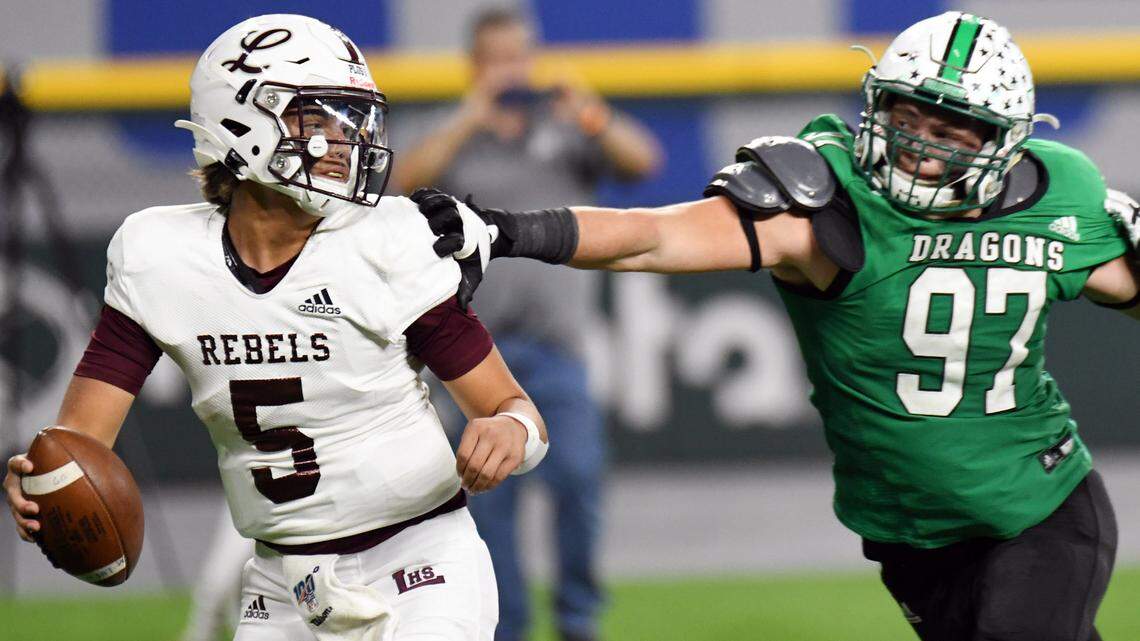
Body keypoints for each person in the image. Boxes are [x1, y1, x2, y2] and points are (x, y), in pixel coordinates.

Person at [413, 12, 1140, 641]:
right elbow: (655, 235)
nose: (919, 143)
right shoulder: (830, 202)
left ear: (1002, 143)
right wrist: (508, 229)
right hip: (909, 531)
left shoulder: (1058, 195)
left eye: (949, 128)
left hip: (1040, 505)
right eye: (906, 117)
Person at [4, 14, 550, 641]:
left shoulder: (387, 243)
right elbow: (77, 440)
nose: (346, 143)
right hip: (283, 580)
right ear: (241, 124)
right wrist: (40, 480)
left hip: (419, 560)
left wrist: (510, 430)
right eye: (318, 121)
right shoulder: (159, 257)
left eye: (351, 122)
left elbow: (516, 409)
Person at [392, 9, 661, 641]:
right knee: (489, 501)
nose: (512, 68)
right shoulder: (454, 136)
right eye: (498, 57)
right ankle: (505, 626)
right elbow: (401, 185)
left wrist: (591, 111)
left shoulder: (564, 130)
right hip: (475, 354)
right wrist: (469, 114)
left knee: (579, 482)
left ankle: (577, 621)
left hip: (558, 349)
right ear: (475, 66)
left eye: (520, 55)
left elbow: (642, 161)